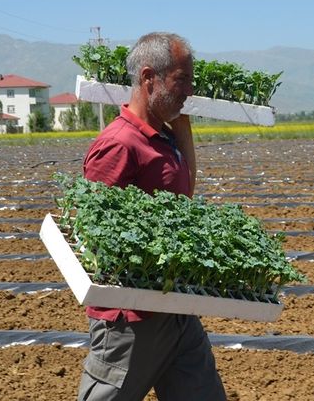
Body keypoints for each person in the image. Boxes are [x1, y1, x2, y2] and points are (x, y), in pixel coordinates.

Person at [77, 32, 226, 401]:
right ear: (148, 78)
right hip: (131, 320)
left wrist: (184, 130)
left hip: (176, 309)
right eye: (182, 80)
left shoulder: (163, 138)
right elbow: (96, 232)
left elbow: (183, 203)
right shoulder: (119, 145)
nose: (190, 90)